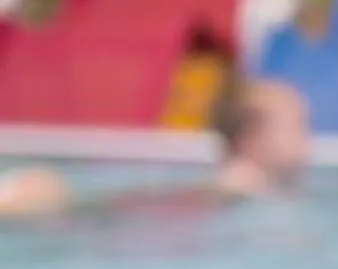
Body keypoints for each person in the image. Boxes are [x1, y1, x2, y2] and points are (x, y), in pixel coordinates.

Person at [0, 73, 311, 219]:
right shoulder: (245, 188)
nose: (307, 140)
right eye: (297, 126)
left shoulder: (237, 189)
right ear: (252, 139)